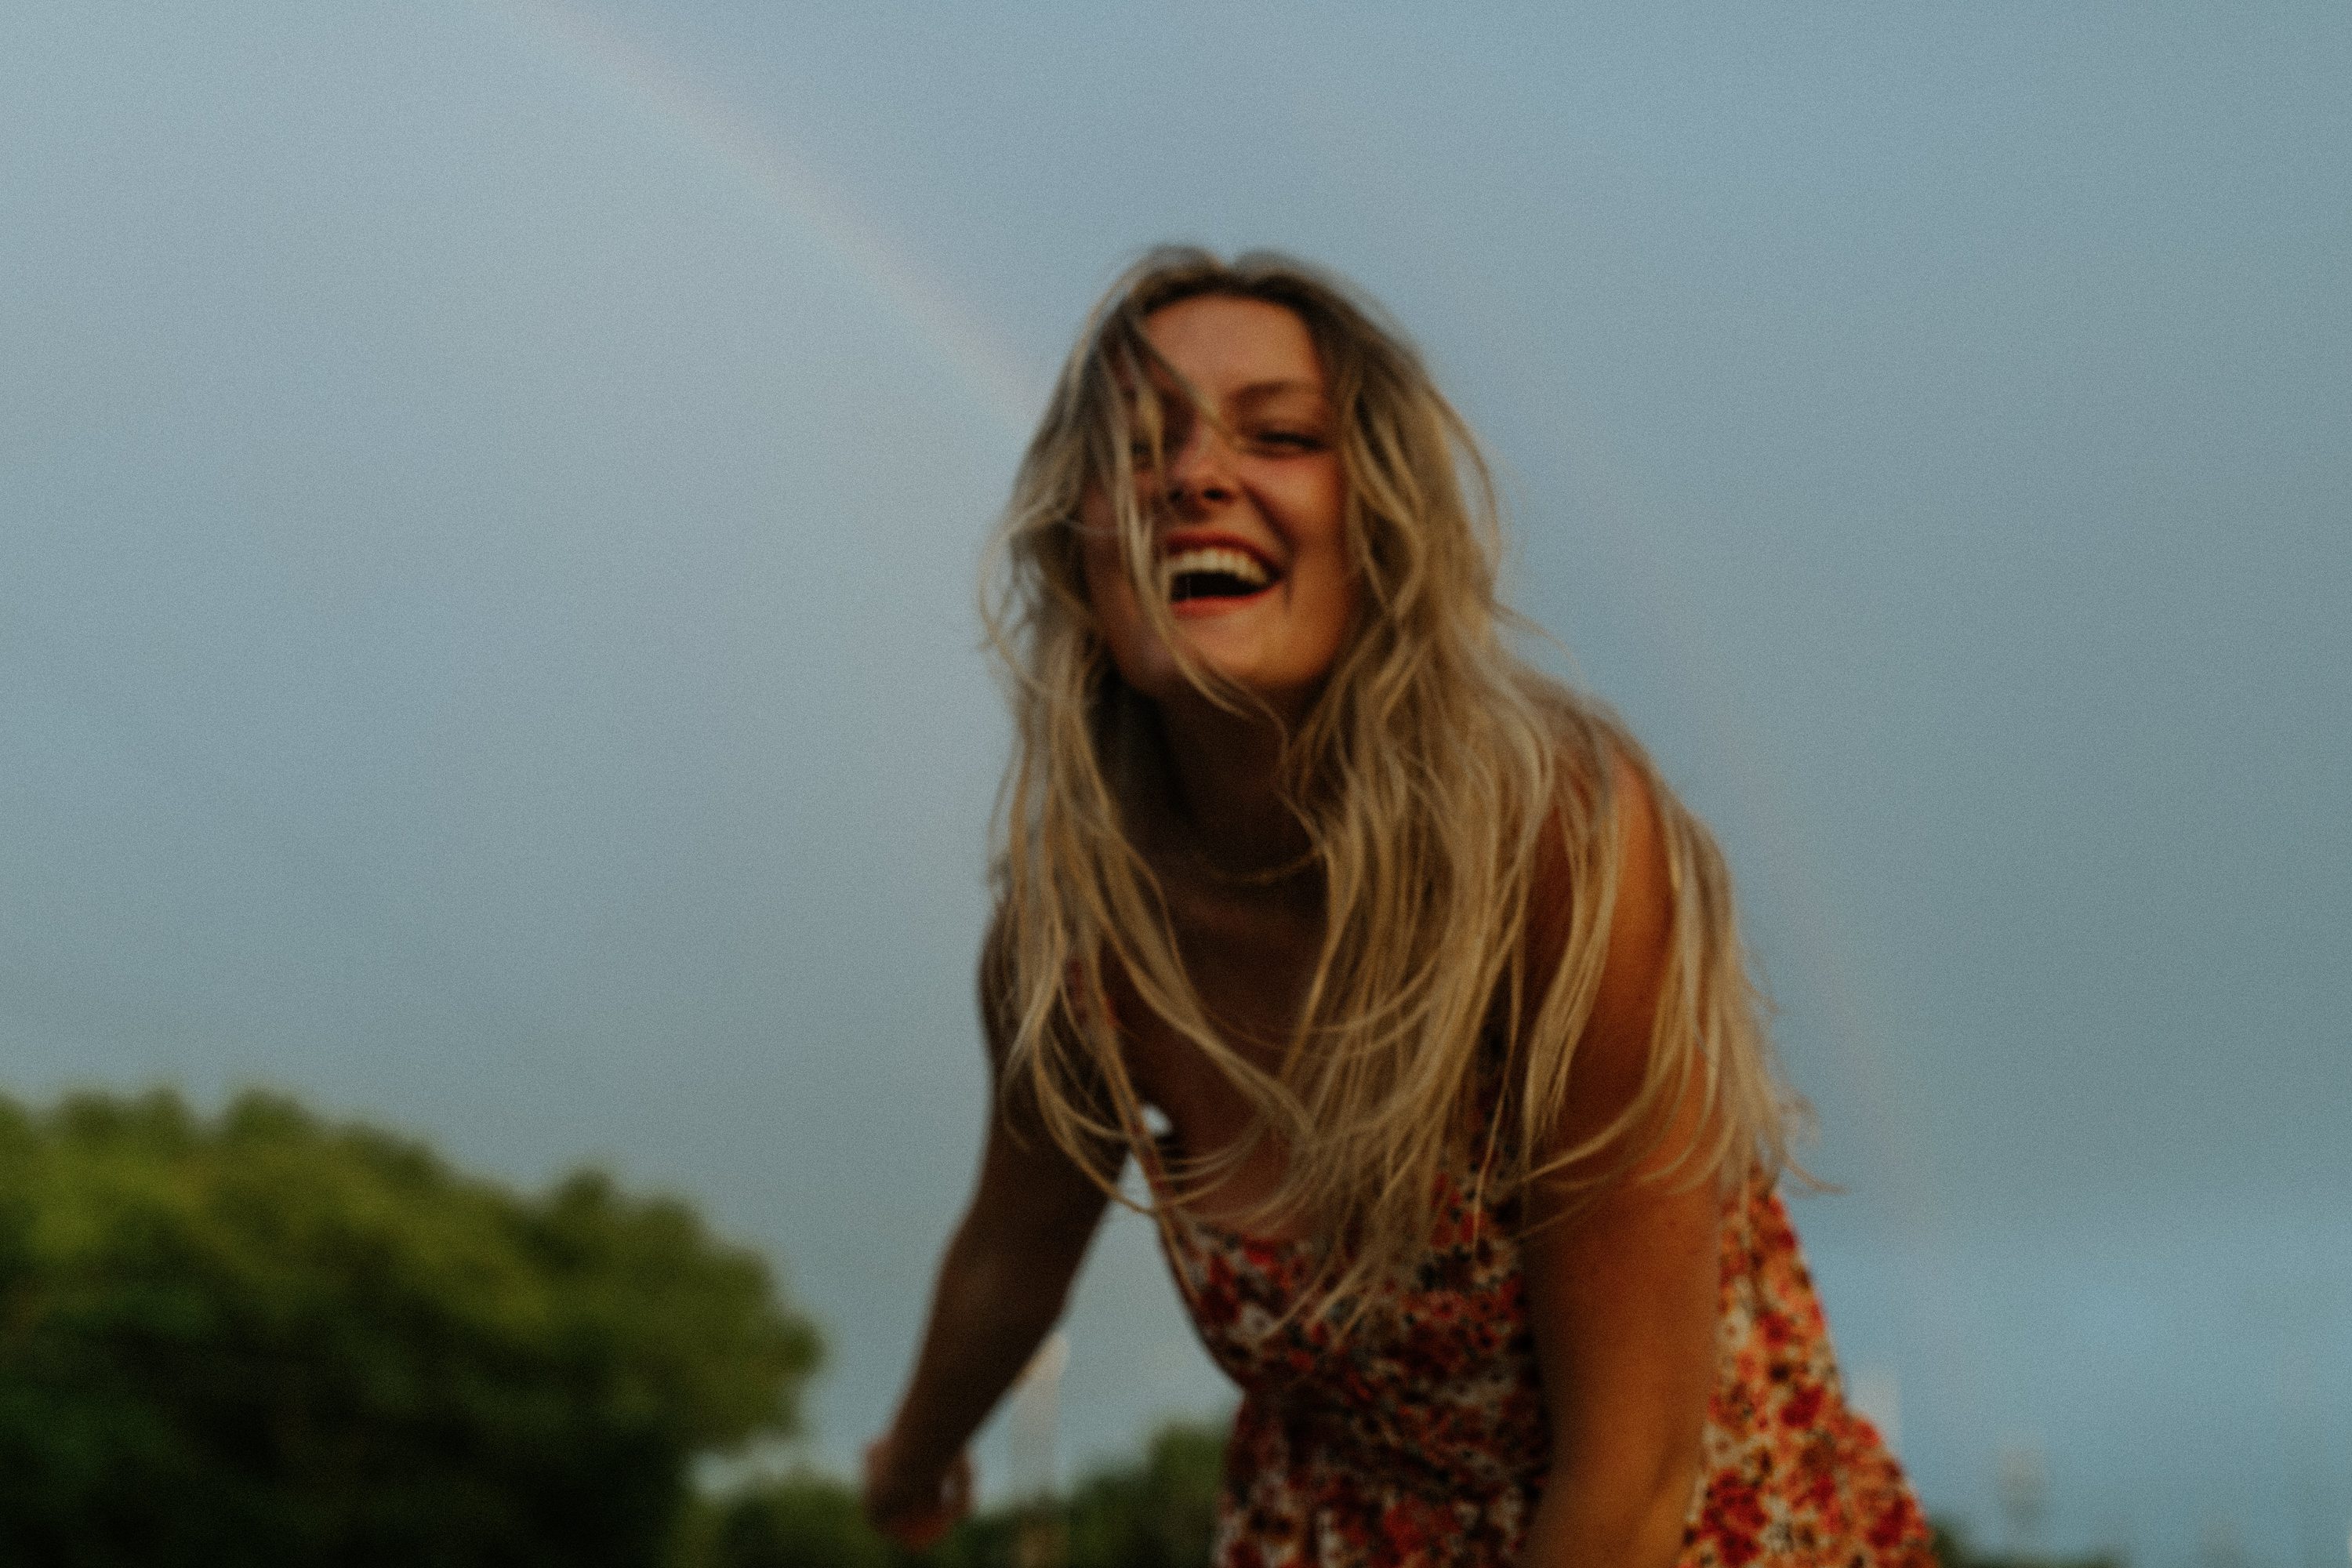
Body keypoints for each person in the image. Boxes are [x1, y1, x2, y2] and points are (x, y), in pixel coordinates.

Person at [862, 248, 1933, 1567]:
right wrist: (913, 1458)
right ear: (1082, 554)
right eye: (1136, 449)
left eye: (1280, 435)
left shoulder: (1560, 848)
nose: (1195, 478)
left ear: (1376, 520)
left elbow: (1636, 1474)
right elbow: (1012, 1251)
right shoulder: (1079, 948)